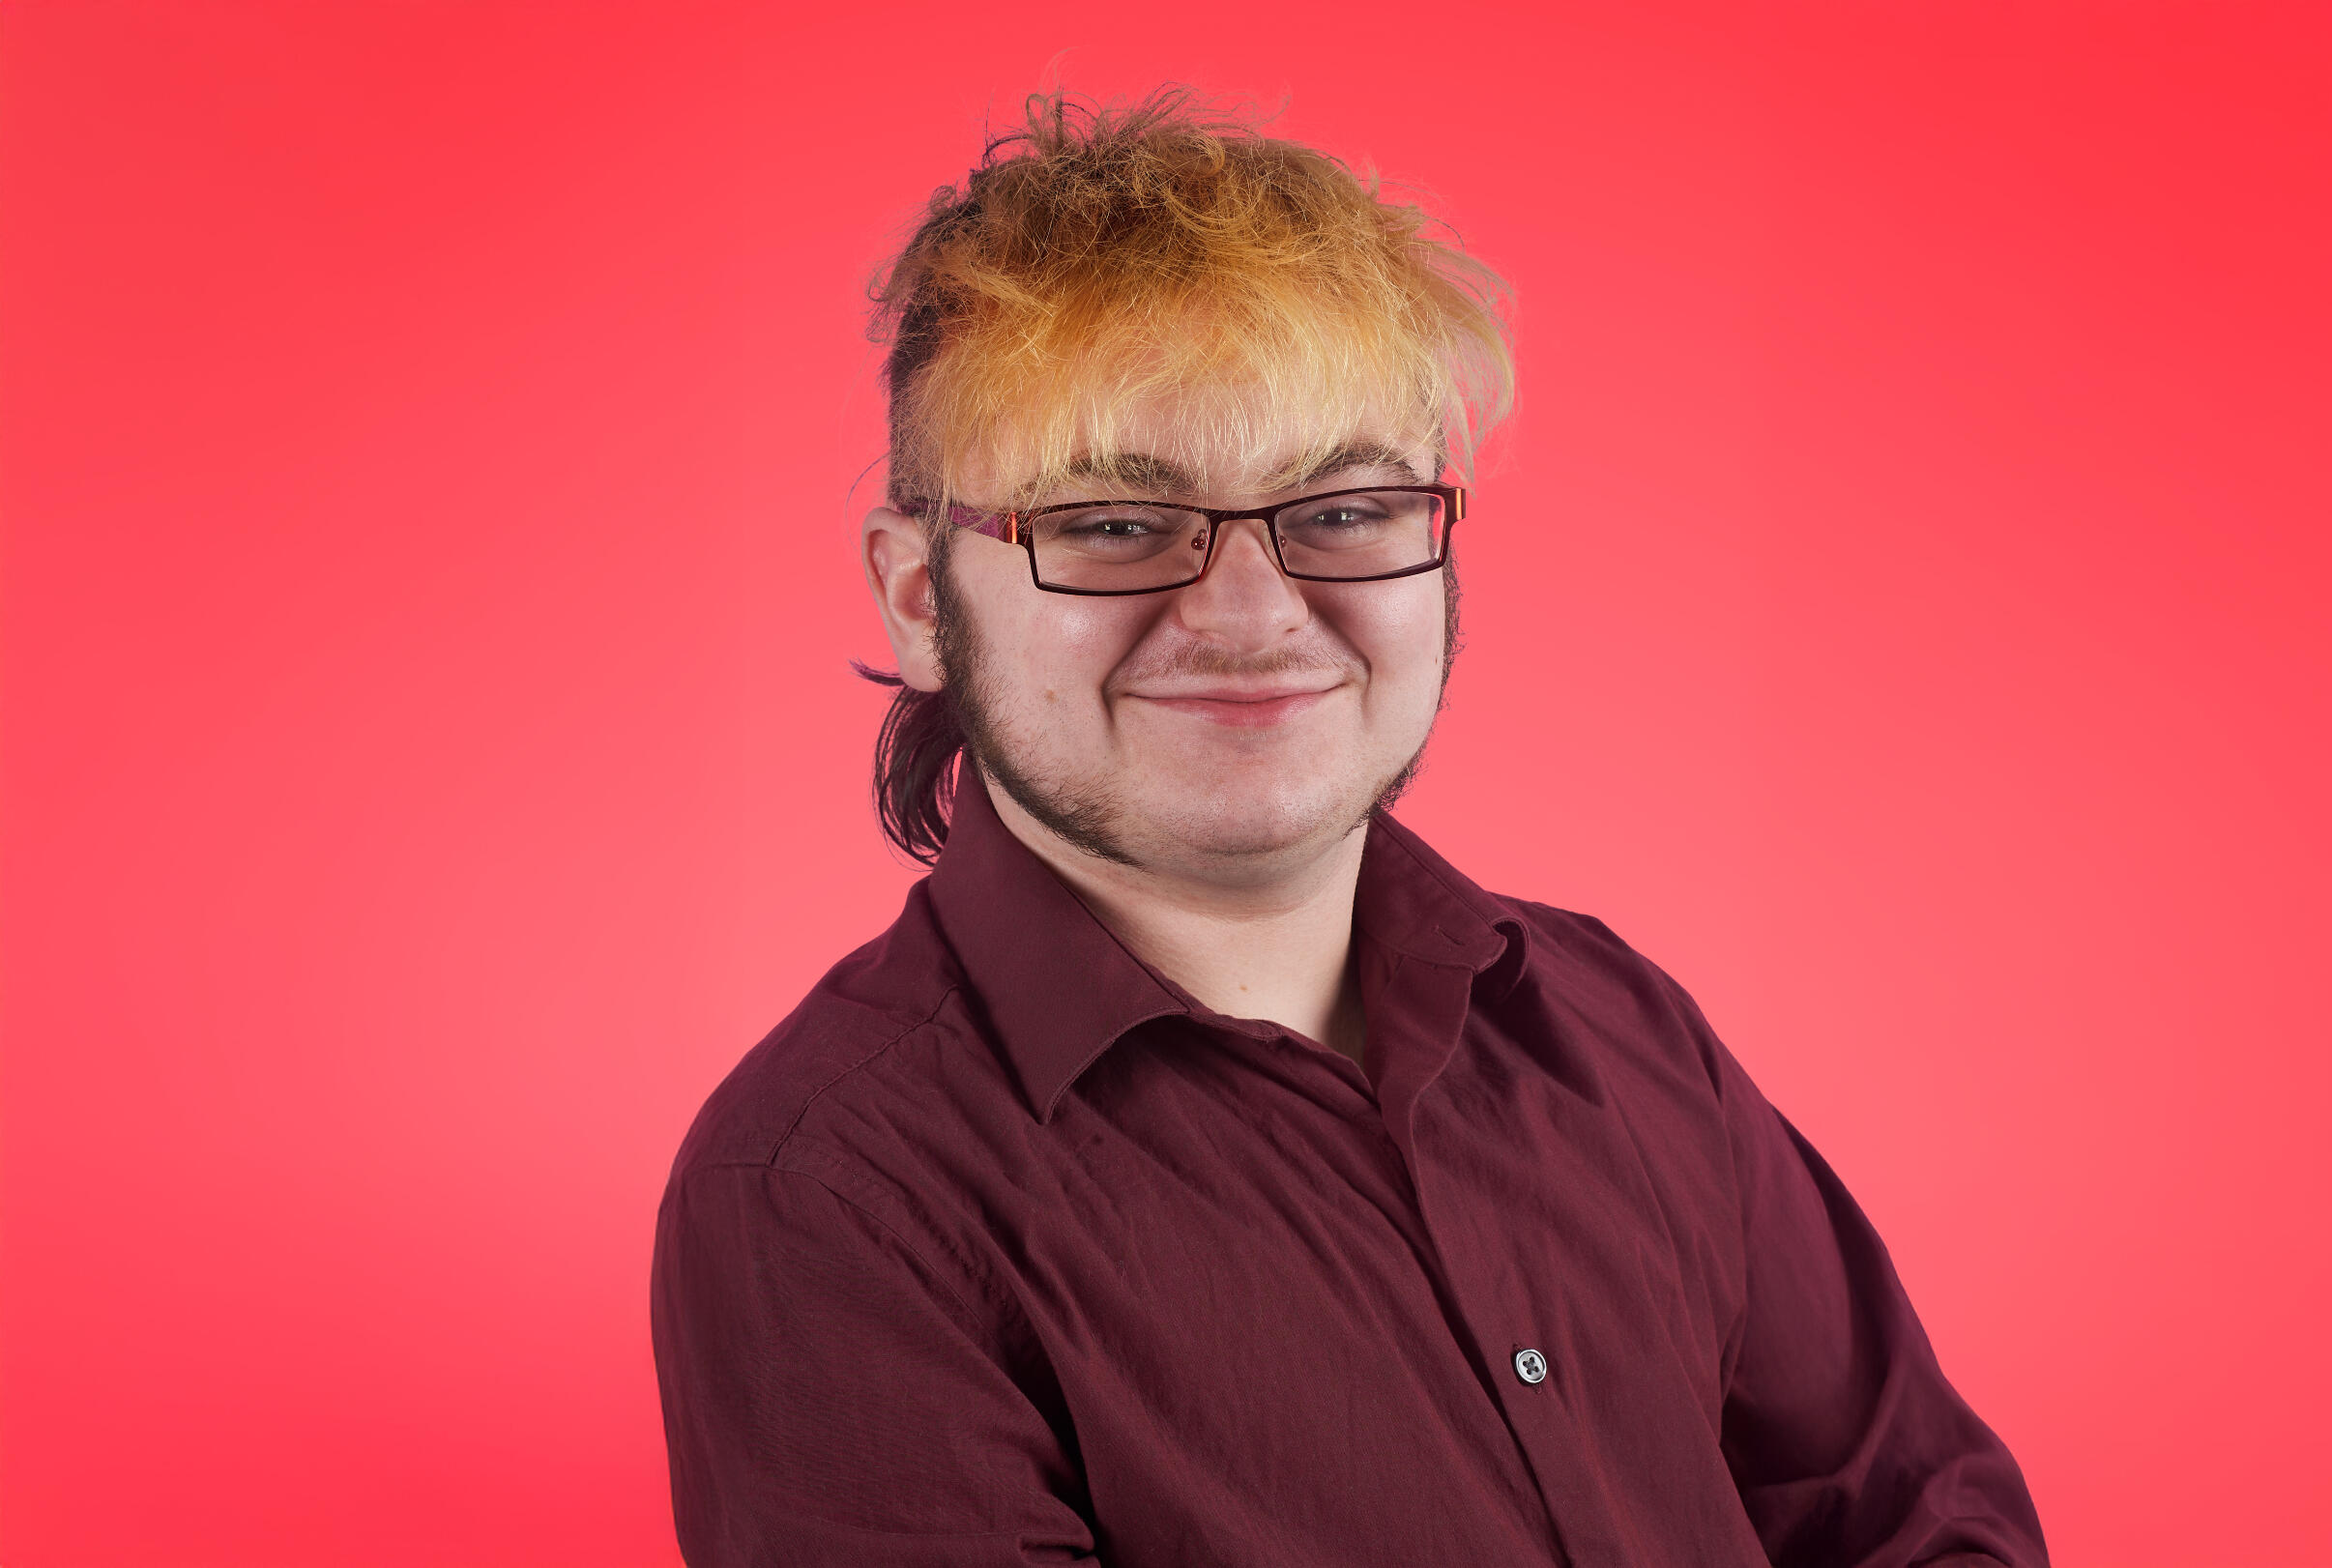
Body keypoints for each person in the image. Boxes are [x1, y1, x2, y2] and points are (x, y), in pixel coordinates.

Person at [650, 86, 2048, 1568]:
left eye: (1342, 509)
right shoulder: (829, 1194)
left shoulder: (1618, 1025)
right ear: (923, 599)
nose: (1252, 616)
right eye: (1117, 522)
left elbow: (1922, 1519)